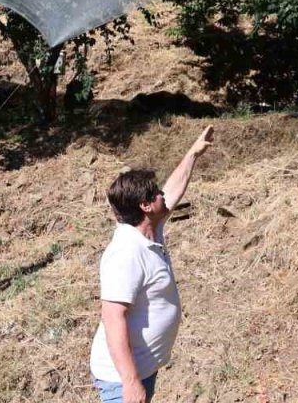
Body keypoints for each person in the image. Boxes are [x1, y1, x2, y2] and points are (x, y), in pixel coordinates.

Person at [90, 125, 214, 403]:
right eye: (156, 194)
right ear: (146, 206)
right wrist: (131, 382)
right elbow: (112, 318)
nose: (163, 196)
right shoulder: (126, 252)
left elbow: (173, 190)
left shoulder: (148, 230)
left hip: (143, 368)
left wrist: (194, 153)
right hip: (122, 378)